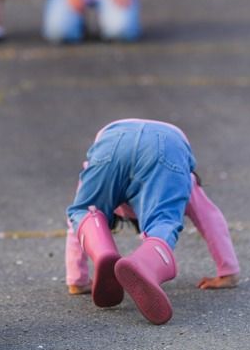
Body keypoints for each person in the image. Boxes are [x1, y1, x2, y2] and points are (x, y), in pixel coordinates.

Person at [65, 118, 240, 325]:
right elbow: (210, 218)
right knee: (163, 221)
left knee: (86, 211)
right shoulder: (185, 182)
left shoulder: (112, 189)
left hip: (111, 143)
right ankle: (147, 264)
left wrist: (77, 279)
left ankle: (102, 252)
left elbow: (73, 225)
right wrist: (228, 272)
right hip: (168, 147)